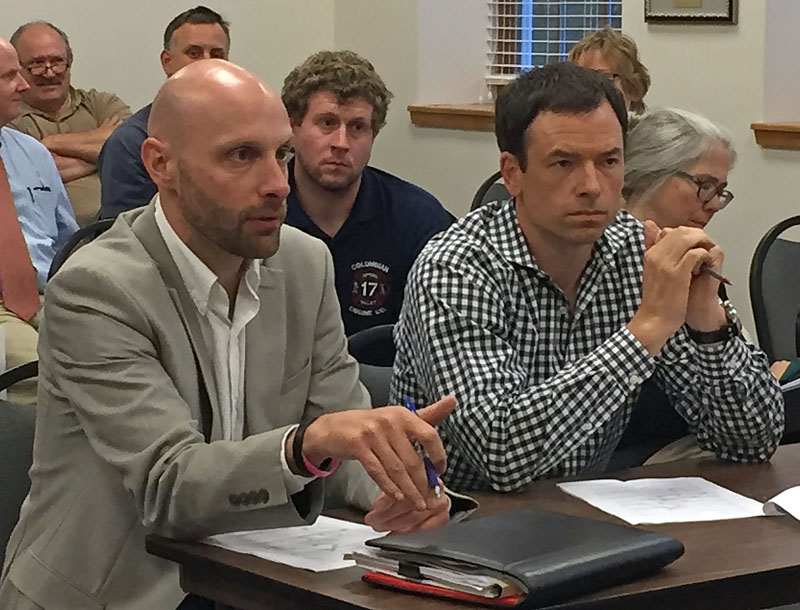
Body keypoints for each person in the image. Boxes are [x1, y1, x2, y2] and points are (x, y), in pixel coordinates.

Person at [0, 60, 455, 610]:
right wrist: (306, 444)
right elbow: (168, 486)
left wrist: (402, 488)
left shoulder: (305, 264)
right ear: (160, 164)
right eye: (242, 156)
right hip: (114, 592)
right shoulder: (97, 289)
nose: (276, 183)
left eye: (281, 154)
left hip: (249, 579)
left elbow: (344, 438)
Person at [390, 62, 783, 492]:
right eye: (564, 163)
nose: (592, 185)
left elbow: (752, 442)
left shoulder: (638, 251)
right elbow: (500, 455)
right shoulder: (457, 265)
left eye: (609, 161)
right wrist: (645, 329)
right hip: (459, 518)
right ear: (512, 173)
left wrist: (707, 322)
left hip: (587, 506)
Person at [281, 50, 454, 335]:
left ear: (374, 135)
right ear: (292, 127)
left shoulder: (418, 220)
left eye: (358, 127)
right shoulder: (258, 212)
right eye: (327, 123)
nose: (341, 143)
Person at [0, 36, 78, 406]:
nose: (24, 84)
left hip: (48, 293)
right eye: (9, 75)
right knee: (38, 373)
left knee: (106, 355)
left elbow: (70, 243)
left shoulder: (32, 152)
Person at [97, 5, 230, 219]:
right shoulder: (130, 142)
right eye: (193, 53)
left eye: (216, 54)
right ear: (167, 61)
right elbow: (124, 237)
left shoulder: (242, 131)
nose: (206, 63)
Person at [9, 21, 131, 226]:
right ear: (17, 68)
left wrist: (52, 142)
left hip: (125, 228)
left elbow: (129, 150)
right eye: (37, 64)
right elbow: (35, 174)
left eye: (57, 61)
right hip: (61, 243)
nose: (49, 73)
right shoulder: (9, 120)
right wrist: (104, 155)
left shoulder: (102, 103)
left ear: (70, 62)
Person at [568, 27, 650, 113]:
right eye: (583, 79)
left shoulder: (655, 125)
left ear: (631, 85)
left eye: (603, 78)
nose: (591, 89)